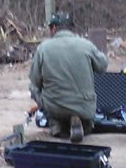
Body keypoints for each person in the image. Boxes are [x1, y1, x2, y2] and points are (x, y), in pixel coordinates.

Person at [28, 12, 109, 143]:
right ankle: (85, 124)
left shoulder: (43, 48)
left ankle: (56, 125)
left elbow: (35, 81)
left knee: (32, 87)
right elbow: (102, 67)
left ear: (54, 28)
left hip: (56, 106)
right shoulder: (86, 45)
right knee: (84, 105)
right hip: (85, 105)